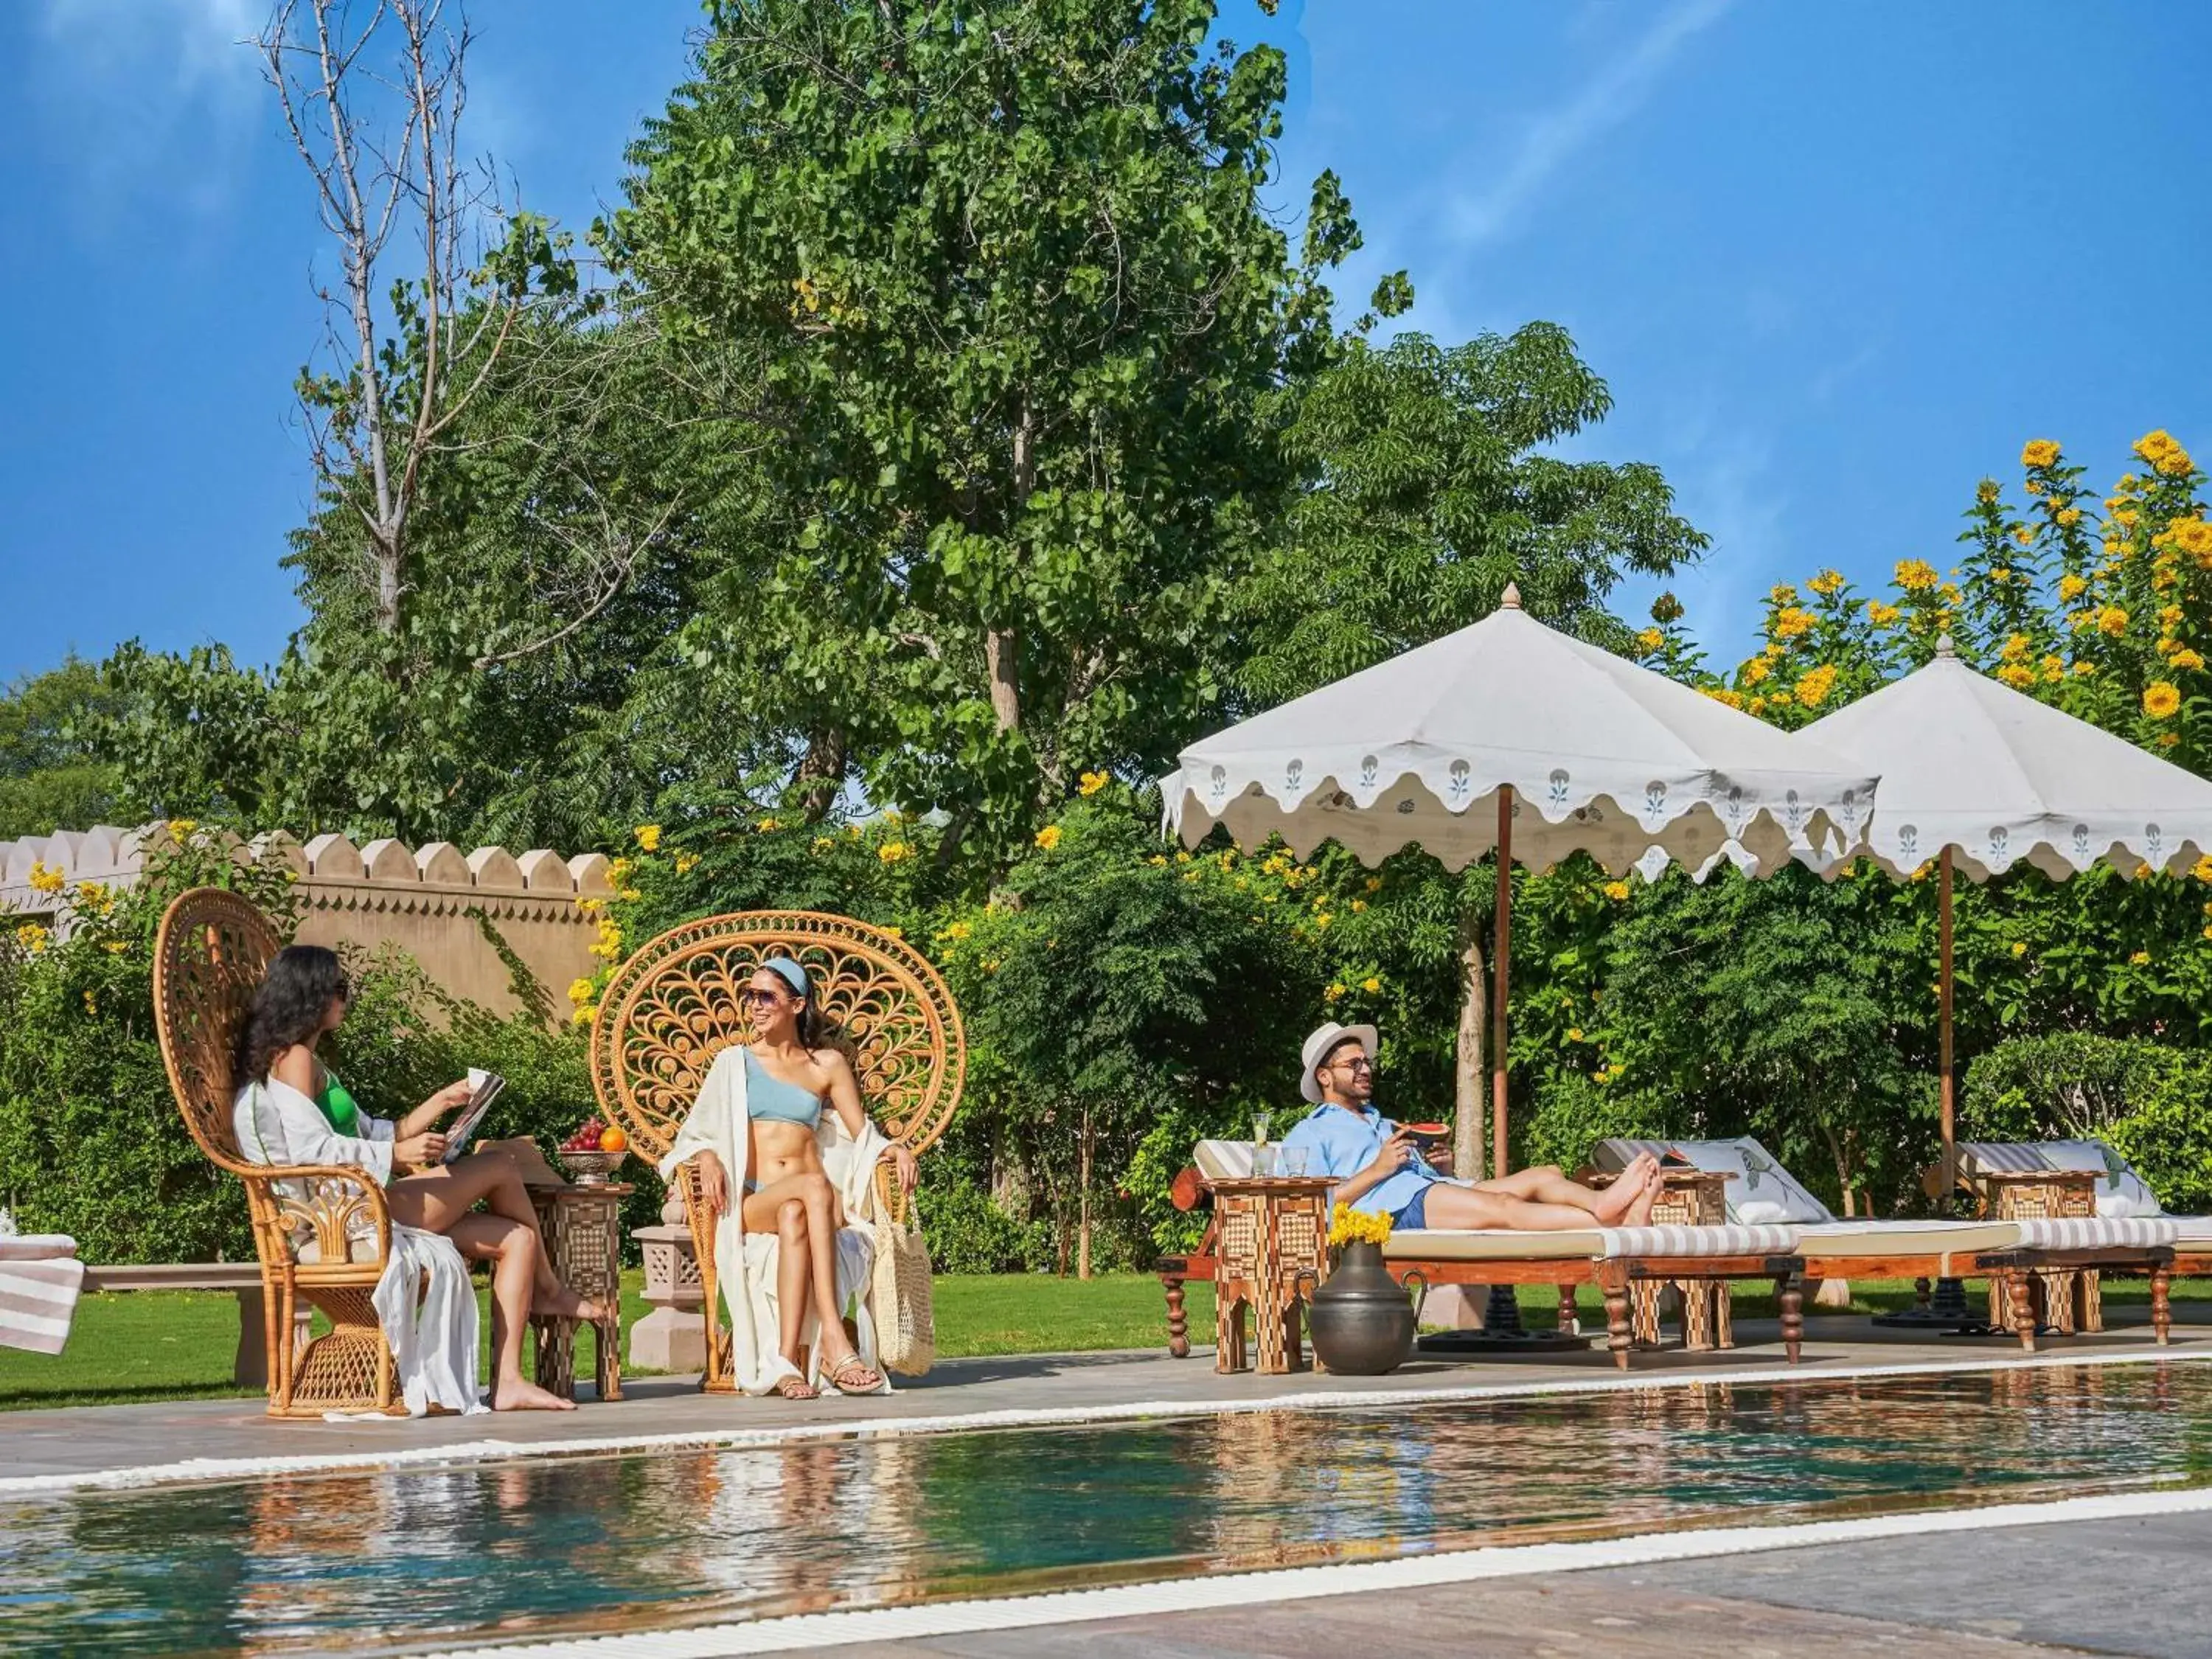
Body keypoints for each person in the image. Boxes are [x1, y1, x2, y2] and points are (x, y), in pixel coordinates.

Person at [231, 945, 606, 1412]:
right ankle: (552, 1292)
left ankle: (508, 1382)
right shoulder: (294, 1060)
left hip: (368, 1198)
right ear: (312, 996)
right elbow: (315, 1153)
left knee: (518, 1241)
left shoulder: (310, 1062)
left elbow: (378, 1132)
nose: (346, 999)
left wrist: (443, 1101)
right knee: (501, 1165)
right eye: (340, 989)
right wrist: (395, 1154)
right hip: (354, 1214)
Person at [663, 956, 919, 1399]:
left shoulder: (827, 1065)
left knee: (800, 1209)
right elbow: (695, 1132)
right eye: (750, 995)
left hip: (810, 1209)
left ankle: (786, 1363)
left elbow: (864, 1135)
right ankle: (835, 1343)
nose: (754, 1005)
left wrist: (894, 1148)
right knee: (813, 1186)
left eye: (767, 996)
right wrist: (704, 1153)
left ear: (797, 1005)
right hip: (756, 1201)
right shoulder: (734, 1063)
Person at [1279, 1021, 1660, 1231]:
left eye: (1366, 1062)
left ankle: (1602, 1205)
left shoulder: (1383, 1122)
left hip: (1432, 1188)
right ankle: (1611, 1225)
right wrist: (1378, 1169)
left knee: (1547, 1174)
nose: (1365, 1069)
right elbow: (1310, 1206)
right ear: (1325, 1077)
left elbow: (1422, 1177)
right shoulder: (1310, 1133)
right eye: (1353, 1064)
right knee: (1505, 1205)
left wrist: (1441, 1168)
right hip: (1390, 1209)